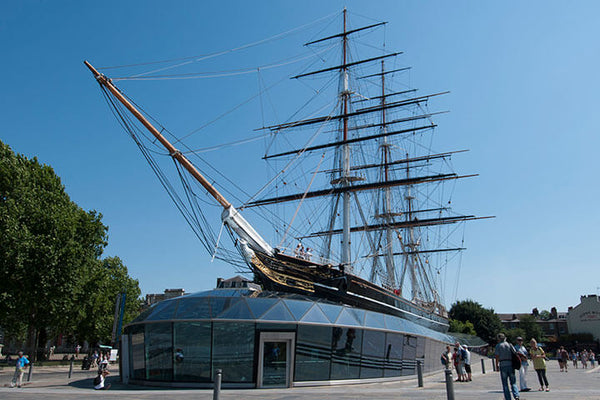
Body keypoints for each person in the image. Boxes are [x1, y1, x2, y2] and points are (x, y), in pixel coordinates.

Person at [495, 333, 520, 400]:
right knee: (513, 382)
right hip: (510, 364)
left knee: (505, 383)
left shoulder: (498, 346)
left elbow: (497, 356)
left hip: (503, 364)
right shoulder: (509, 345)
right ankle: (516, 395)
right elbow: (515, 353)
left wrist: (497, 365)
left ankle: (508, 397)